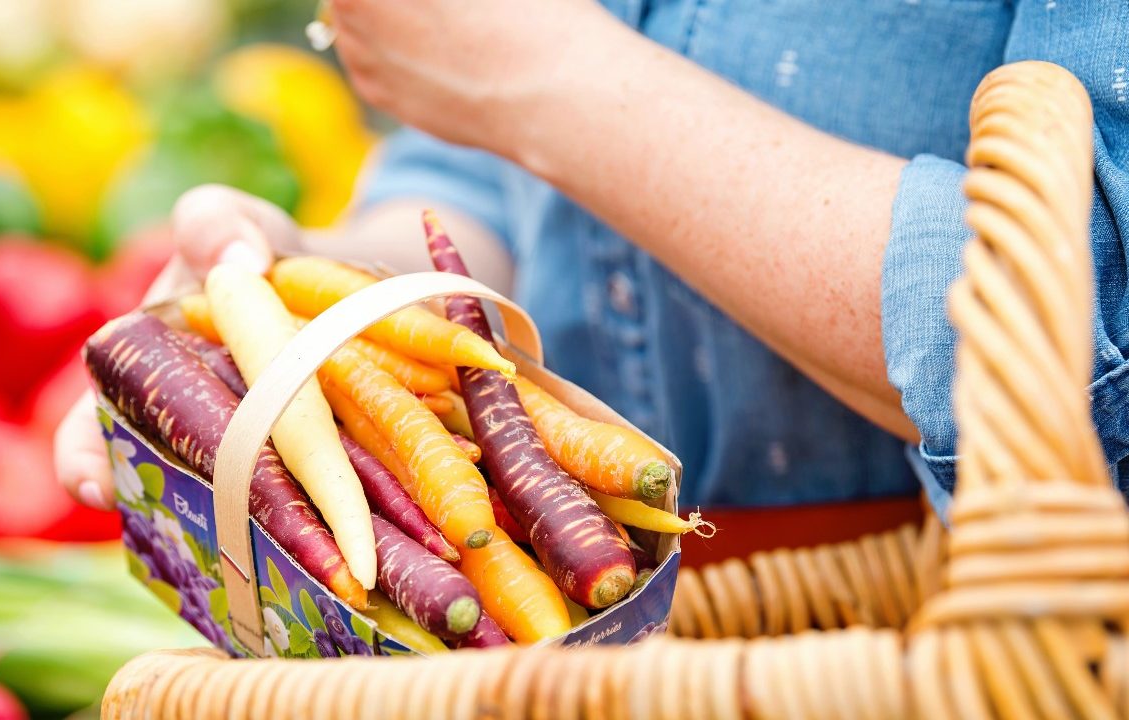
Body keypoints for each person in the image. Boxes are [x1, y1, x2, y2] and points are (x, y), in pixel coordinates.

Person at [56, 0, 1129, 535]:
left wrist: (545, 82)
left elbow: (1090, 325)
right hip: (598, 645)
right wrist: (323, 293)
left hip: (960, 657)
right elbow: (485, 185)